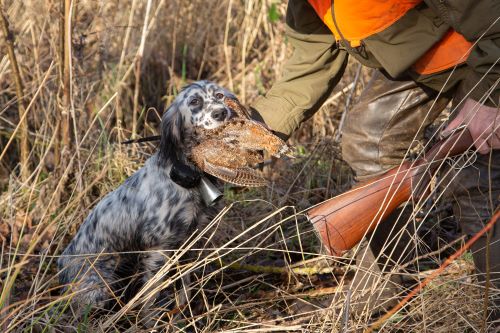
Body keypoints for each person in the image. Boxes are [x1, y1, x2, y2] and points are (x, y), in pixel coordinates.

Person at [247, 0, 500, 329]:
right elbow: (309, 67)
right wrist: (247, 135)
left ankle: (494, 303)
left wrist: (491, 98)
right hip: (434, 54)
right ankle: (385, 293)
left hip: (491, 46)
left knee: (474, 169)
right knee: (370, 141)